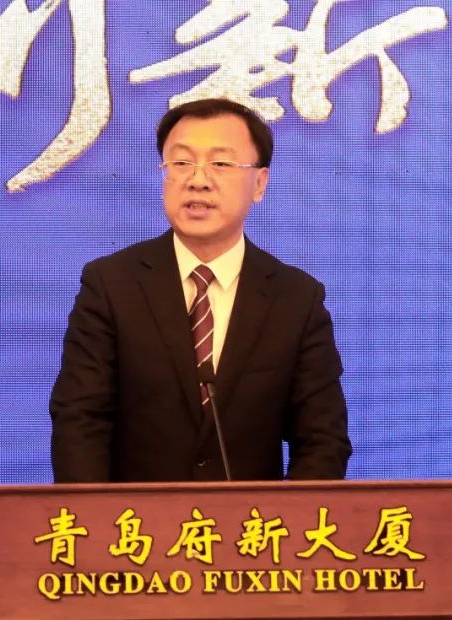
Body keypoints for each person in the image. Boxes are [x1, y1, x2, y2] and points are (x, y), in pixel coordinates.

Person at [50, 98, 351, 482]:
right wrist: (96, 516)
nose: (198, 180)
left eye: (221, 164)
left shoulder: (296, 299)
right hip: (135, 520)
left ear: (259, 183)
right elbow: (79, 422)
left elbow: (323, 440)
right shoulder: (111, 284)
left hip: (252, 520)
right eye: (181, 163)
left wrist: (289, 519)